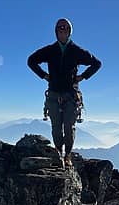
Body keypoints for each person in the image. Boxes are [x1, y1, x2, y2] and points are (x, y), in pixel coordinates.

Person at [27, 18, 101, 167]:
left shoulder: (76, 51)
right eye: (60, 28)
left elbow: (97, 63)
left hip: (70, 95)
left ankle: (67, 155)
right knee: (56, 128)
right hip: (54, 93)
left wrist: (82, 77)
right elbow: (31, 61)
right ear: (56, 31)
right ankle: (59, 153)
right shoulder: (50, 50)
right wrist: (44, 75)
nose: (62, 30)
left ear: (69, 32)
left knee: (68, 127)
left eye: (65, 28)